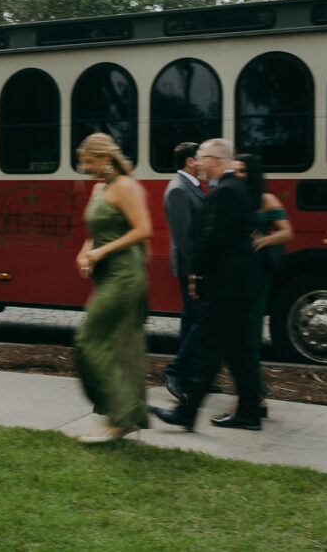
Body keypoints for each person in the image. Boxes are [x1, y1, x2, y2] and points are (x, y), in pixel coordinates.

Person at [152, 138, 264, 431]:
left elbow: (212, 240)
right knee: (237, 353)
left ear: (215, 159)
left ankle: (187, 413)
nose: (198, 163)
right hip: (240, 284)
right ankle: (249, 411)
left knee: (213, 350)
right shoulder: (236, 188)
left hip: (227, 285)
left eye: (201, 157)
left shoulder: (225, 191)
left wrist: (197, 276)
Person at [73, 133, 152, 443]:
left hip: (125, 274)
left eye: (88, 161)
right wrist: (85, 252)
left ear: (105, 158)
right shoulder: (99, 188)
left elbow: (143, 230)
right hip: (106, 274)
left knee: (89, 341)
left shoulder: (126, 187)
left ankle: (119, 419)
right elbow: (96, 232)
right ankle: (125, 416)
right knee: (120, 346)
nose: (84, 167)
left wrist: (101, 252)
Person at [233, 154, 294, 418]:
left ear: (254, 174)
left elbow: (286, 232)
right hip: (235, 273)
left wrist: (262, 241)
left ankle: (256, 398)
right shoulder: (233, 196)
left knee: (250, 335)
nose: (237, 175)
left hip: (258, 274)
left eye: (243, 171)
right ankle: (254, 395)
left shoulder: (266, 200)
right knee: (236, 335)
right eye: (235, 171)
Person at [160, 142, 208, 404]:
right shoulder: (178, 189)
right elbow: (183, 238)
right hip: (190, 268)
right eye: (201, 158)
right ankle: (174, 372)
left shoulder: (190, 186)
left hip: (193, 266)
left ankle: (191, 375)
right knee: (200, 319)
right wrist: (195, 272)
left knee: (191, 318)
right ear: (190, 161)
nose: (203, 163)